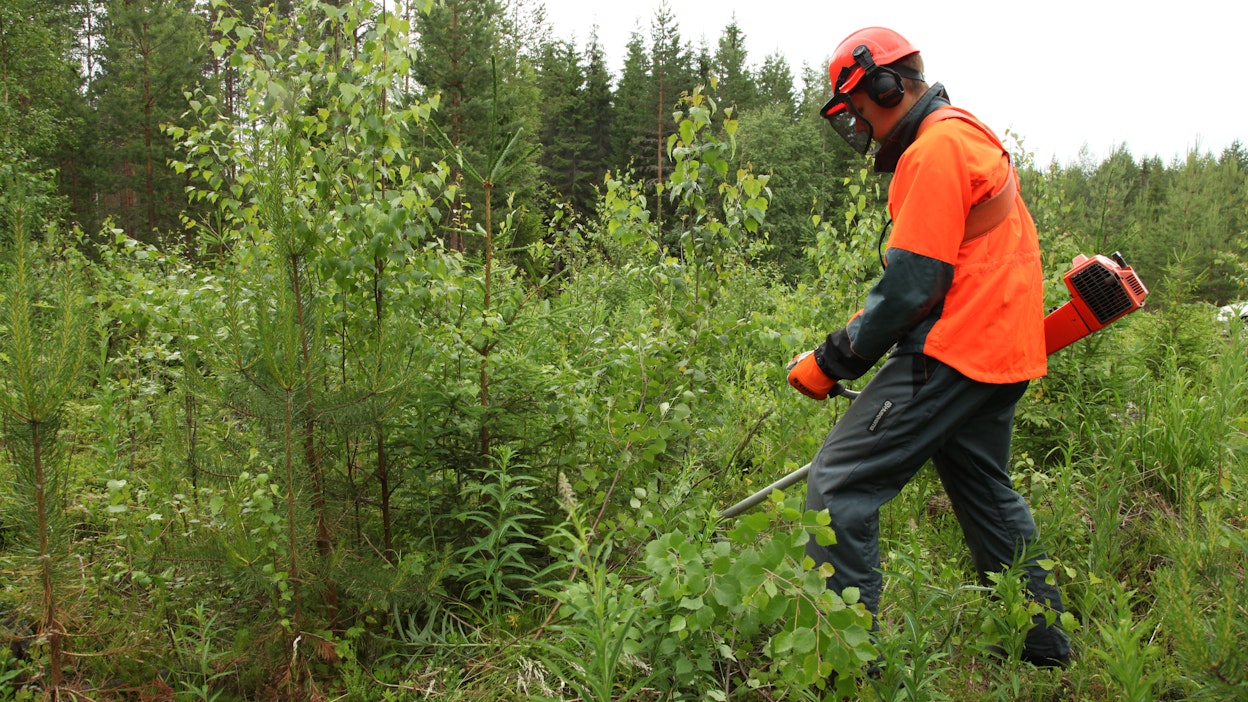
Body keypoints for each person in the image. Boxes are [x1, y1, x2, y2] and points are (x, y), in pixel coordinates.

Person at [785, 26, 1071, 668]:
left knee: (838, 487)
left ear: (884, 85)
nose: (858, 123)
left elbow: (915, 281)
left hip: (953, 351)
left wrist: (836, 359)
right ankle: (1044, 651)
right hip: (997, 351)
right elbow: (944, 265)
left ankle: (843, 665)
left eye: (856, 107)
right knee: (986, 493)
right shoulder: (965, 135)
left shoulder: (937, 149)